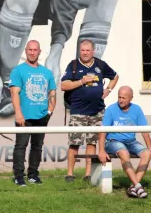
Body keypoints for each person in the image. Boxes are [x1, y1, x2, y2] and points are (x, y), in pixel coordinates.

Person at [60, 39, 119, 182]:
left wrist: (108, 90)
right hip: (78, 111)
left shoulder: (100, 64)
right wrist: (82, 81)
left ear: (93, 51)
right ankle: (70, 174)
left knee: (92, 142)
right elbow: (63, 85)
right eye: (82, 50)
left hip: (97, 111)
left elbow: (115, 76)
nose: (85, 53)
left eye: (87, 50)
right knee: (74, 142)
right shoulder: (73, 65)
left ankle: (88, 174)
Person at [9, 40, 56, 186]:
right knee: (21, 146)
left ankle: (33, 175)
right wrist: (18, 113)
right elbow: (14, 93)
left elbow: (52, 92)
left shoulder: (47, 72)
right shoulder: (18, 70)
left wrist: (49, 111)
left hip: (42, 116)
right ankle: (19, 176)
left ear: (39, 52)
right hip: (24, 117)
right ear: (25, 51)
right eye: (30, 49)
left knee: (37, 146)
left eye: (35, 50)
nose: (32, 52)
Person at [97, 86, 151, 198]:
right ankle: (138, 187)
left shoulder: (137, 109)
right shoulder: (111, 109)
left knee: (147, 153)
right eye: (119, 97)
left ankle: (133, 187)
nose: (121, 100)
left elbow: (144, 131)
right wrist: (101, 150)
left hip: (131, 141)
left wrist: (150, 148)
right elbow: (102, 131)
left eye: (124, 98)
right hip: (113, 141)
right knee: (124, 152)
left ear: (131, 98)